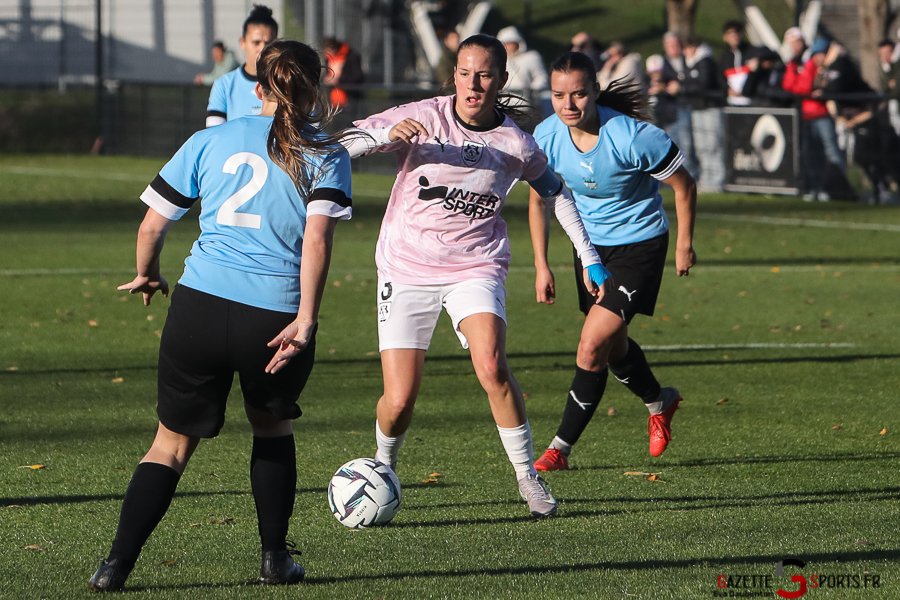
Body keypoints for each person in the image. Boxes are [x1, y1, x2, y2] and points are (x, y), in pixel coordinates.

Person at [88, 40, 353, 591]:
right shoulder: (325, 153)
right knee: (271, 428)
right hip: (274, 318)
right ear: (314, 90)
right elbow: (318, 242)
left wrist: (149, 273)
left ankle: (115, 566)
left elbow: (151, 227)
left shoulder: (208, 140)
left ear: (256, 88)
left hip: (198, 310)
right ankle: (274, 559)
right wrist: (306, 318)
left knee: (168, 444)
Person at [342, 34, 608, 517]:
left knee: (491, 365)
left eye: (484, 74)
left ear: (501, 80)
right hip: (406, 266)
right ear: (454, 77)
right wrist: (384, 136)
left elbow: (557, 193)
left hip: (475, 265)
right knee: (399, 400)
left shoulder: (516, 144)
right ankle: (382, 469)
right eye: (465, 73)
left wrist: (587, 256)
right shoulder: (424, 116)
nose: (473, 84)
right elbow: (344, 144)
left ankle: (528, 478)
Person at [529, 51, 697, 472]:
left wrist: (683, 244)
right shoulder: (546, 136)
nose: (569, 105)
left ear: (595, 91)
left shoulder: (633, 136)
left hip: (640, 245)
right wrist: (541, 264)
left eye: (579, 94)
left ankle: (559, 449)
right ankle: (661, 401)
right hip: (589, 250)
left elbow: (684, 184)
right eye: (558, 95)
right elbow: (538, 200)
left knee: (590, 347)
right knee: (614, 345)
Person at [782, 37, 846, 201]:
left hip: (823, 116)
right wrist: (794, 65)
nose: (820, 58)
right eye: (817, 54)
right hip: (808, 116)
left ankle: (841, 187)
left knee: (831, 152)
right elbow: (799, 87)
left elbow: (827, 86)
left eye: (823, 54)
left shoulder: (832, 67)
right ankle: (816, 188)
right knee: (811, 156)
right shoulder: (810, 66)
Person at [206, 5, 278, 127]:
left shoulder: (287, 83)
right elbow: (214, 136)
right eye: (256, 42)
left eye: (269, 43)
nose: (263, 48)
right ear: (242, 42)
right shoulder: (223, 85)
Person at [682, 36, 726, 193]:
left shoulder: (705, 62)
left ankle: (717, 180)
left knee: (713, 145)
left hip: (710, 108)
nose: (687, 51)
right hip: (698, 108)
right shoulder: (690, 63)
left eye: (689, 47)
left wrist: (683, 87)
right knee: (702, 147)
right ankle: (706, 179)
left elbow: (703, 85)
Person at [660, 31, 700, 181]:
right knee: (673, 147)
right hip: (669, 111)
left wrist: (680, 86)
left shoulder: (688, 60)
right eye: (670, 45)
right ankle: (673, 179)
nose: (673, 48)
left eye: (676, 44)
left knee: (688, 146)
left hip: (687, 107)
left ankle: (690, 178)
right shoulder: (661, 62)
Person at [496, 26, 549, 104]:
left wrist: (532, 90)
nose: (509, 46)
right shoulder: (496, 60)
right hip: (504, 103)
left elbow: (542, 77)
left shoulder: (532, 57)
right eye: (506, 43)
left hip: (528, 103)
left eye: (512, 43)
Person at [719, 20, 765, 106]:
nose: (734, 36)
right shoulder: (723, 58)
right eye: (730, 33)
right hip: (731, 103)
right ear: (725, 37)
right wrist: (727, 90)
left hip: (751, 102)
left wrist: (758, 62)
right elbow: (720, 78)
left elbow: (771, 54)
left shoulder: (752, 52)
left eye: (736, 32)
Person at [322, 36, 365, 109]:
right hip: (333, 98)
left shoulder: (351, 56)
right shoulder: (328, 58)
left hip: (350, 98)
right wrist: (326, 79)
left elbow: (358, 76)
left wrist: (338, 80)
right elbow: (327, 74)